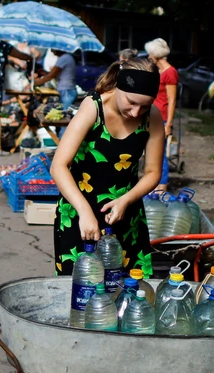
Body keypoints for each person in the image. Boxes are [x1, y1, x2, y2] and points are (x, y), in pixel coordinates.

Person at [50, 58, 164, 276]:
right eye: (131, 102)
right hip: (79, 212)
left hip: (126, 216)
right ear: (119, 86)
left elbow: (153, 172)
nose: (136, 112)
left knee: (129, 293)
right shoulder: (93, 107)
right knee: (82, 291)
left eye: (145, 106)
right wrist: (84, 212)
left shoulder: (153, 116)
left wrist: (126, 200)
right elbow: (59, 166)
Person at [145, 38, 178, 193]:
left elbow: (172, 100)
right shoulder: (158, 71)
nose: (149, 56)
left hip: (163, 118)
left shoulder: (170, 72)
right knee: (151, 150)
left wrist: (169, 124)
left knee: (160, 152)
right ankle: (153, 183)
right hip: (153, 116)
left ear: (156, 54)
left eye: (150, 53)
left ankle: (162, 186)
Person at [33, 49, 77, 138]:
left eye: (53, 49)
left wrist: (34, 83)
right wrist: (44, 73)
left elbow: (51, 75)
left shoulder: (64, 58)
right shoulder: (67, 58)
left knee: (64, 119)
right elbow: (55, 74)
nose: (52, 51)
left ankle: (62, 142)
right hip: (67, 91)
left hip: (67, 91)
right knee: (63, 118)